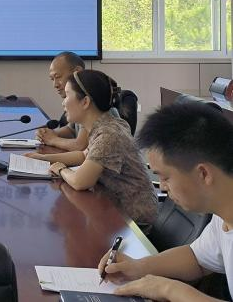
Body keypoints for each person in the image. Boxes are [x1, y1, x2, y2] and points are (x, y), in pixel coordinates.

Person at [98, 102, 233, 301]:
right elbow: (197, 259)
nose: (162, 187)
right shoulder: (223, 214)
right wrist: (138, 267)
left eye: (165, 177)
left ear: (203, 173)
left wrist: (170, 290)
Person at [25, 69, 157, 227]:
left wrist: (61, 169)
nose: (63, 102)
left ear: (85, 102)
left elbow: (80, 182)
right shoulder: (106, 125)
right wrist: (44, 159)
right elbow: (83, 156)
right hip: (117, 211)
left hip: (133, 221)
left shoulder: (108, 134)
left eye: (67, 96)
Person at [35, 52, 88, 151]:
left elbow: (80, 145)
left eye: (58, 77)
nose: (55, 85)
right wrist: (50, 134)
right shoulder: (76, 99)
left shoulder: (91, 98)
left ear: (77, 72)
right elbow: (71, 130)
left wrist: (53, 140)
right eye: (52, 79)